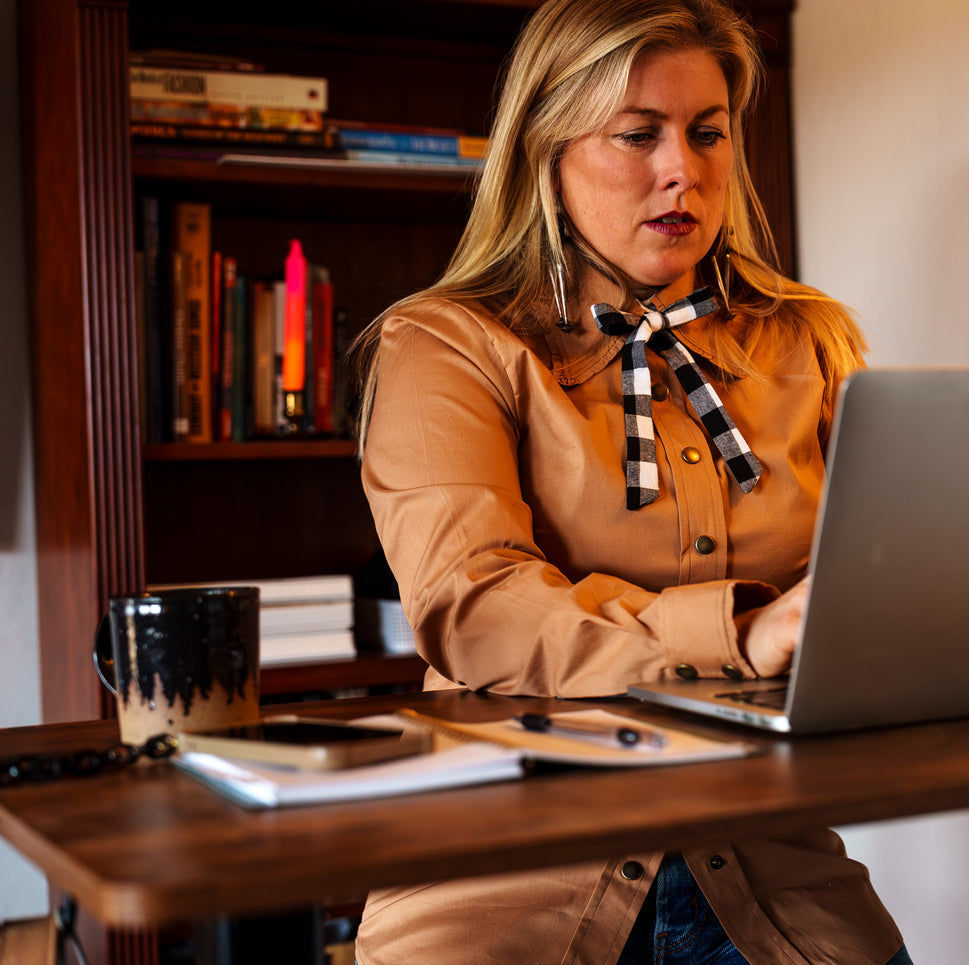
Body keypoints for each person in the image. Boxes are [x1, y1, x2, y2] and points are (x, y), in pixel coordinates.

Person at [351, 0, 913, 961]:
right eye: (637, 136)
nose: (681, 172)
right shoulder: (443, 346)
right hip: (507, 881)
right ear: (545, 149)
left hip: (778, 877)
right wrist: (738, 633)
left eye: (706, 134)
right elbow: (476, 609)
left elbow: (894, 577)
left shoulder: (807, 340)